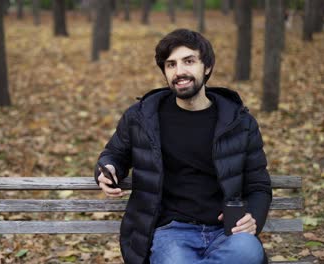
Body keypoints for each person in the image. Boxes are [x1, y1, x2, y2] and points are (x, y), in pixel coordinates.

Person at [94, 29, 272, 264]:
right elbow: (113, 154)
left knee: (248, 251)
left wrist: (254, 218)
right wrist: (106, 169)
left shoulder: (239, 123)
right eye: (171, 65)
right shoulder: (142, 118)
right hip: (171, 233)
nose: (179, 72)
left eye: (188, 61)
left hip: (226, 231)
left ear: (207, 67)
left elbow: (259, 185)